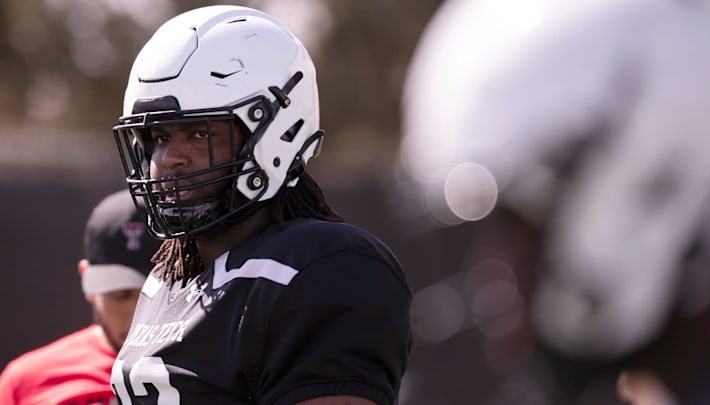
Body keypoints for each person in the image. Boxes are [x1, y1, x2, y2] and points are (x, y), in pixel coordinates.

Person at [110, 5, 412, 405]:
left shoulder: (324, 268)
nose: (168, 158)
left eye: (199, 134)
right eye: (160, 137)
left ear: (276, 132)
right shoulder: (165, 281)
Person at [0, 190, 161, 404]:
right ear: (88, 281)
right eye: (120, 294)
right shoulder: (26, 382)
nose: (137, 312)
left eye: (154, 295)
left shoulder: (211, 374)